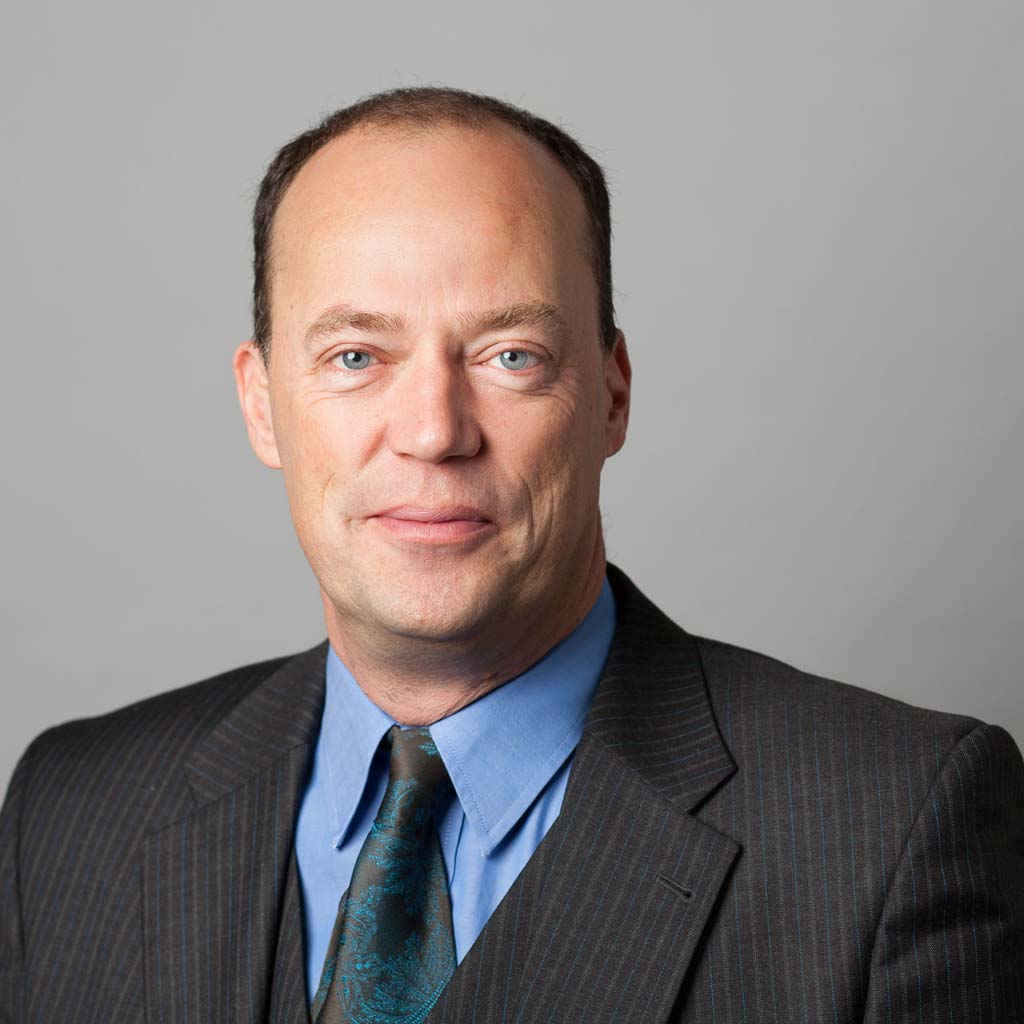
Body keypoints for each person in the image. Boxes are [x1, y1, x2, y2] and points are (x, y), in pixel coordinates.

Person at [1, 86, 1021, 1024]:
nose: (434, 431)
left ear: (612, 395)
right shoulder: (69, 815)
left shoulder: (894, 829)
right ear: (262, 405)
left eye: (510, 355)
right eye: (355, 355)